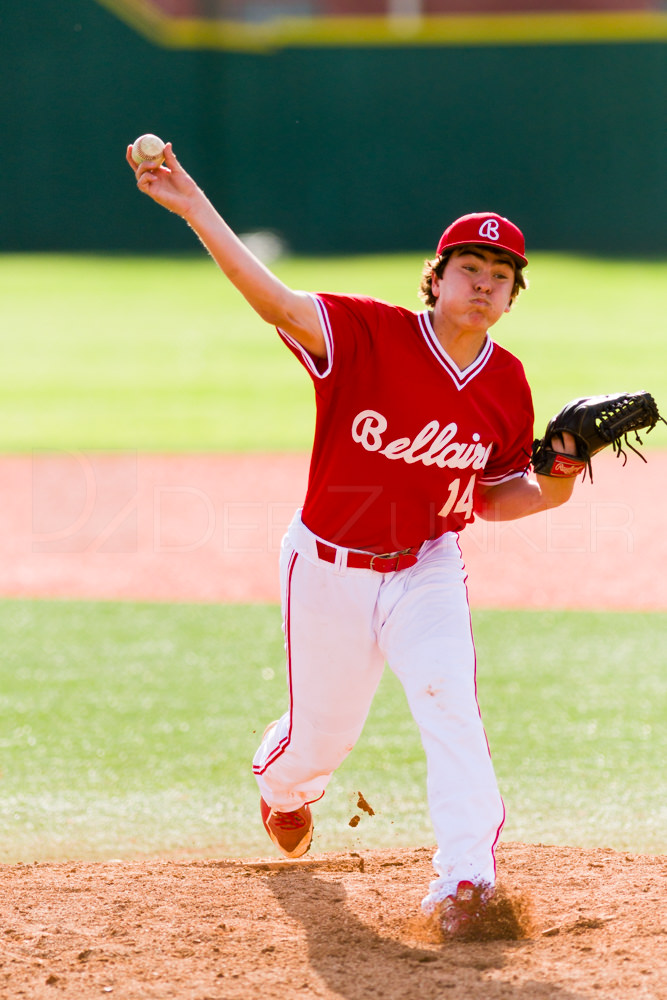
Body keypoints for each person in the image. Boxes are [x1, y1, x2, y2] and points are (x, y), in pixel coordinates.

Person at [127, 143, 579, 930]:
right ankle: (284, 792)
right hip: (328, 566)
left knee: (449, 705)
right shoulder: (364, 334)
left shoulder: (506, 382)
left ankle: (465, 882)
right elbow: (270, 299)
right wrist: (195, 205)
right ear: (435, 279)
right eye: (468, 268)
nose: (482, 284)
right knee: (316, 743)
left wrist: (562, 475)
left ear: (512, 297)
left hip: (426, 567)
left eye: (499, 276)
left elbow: (496, 498)